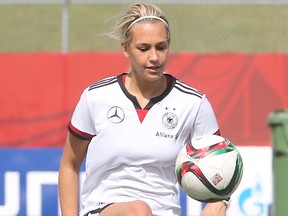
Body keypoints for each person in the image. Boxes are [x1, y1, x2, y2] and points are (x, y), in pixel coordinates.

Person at [58, 2, 229, 216]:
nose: (154, 57)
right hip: (102, 209)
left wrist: (219, 201)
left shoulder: (194, 104)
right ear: (125, 48)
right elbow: (69, 165)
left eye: (161, 46)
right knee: (139, 210)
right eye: (143, 48)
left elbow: (221, 164)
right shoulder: (96, 97)